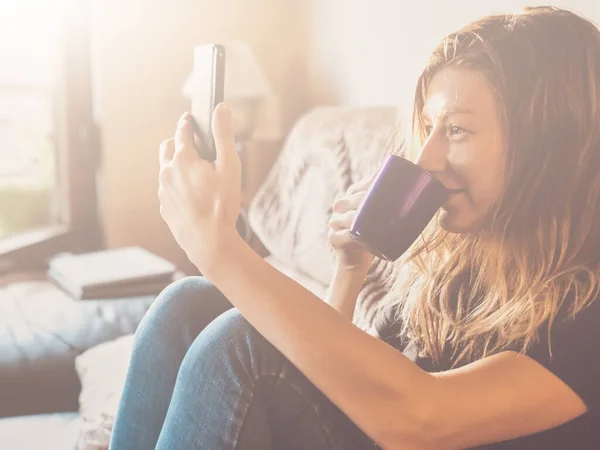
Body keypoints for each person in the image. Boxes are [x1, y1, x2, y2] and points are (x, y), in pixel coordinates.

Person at [110, 6, 600, 449]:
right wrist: (349, 270)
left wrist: (219, 248)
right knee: (189, 303)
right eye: (428, 129)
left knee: (239, 342)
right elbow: (329, 380)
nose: (427, 160)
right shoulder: (463, 264)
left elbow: (418, 418)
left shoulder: (586, 306)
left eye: (457, 130)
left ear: (549, 146)